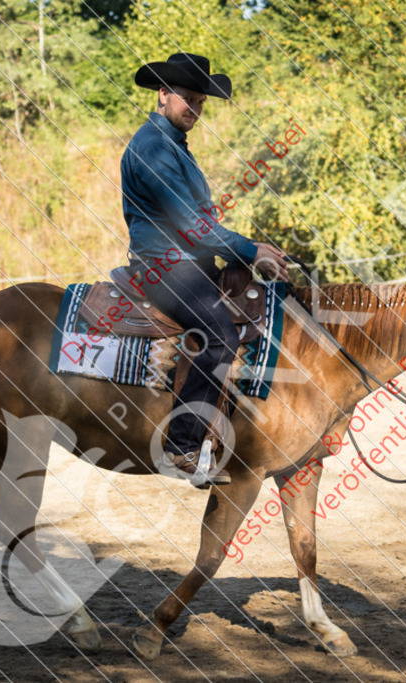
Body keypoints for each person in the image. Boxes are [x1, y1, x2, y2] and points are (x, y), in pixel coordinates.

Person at [121, 53, 288, 487]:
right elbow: (190, 226)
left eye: (200, 102)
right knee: (221, 334)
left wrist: (240, 255)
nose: (194, 109)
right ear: (163, 94)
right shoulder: (154, 148)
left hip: (187, 263)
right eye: (187, 99)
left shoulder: (174, 146)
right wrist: (250, 250)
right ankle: (182, 446)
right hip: (162, 266)